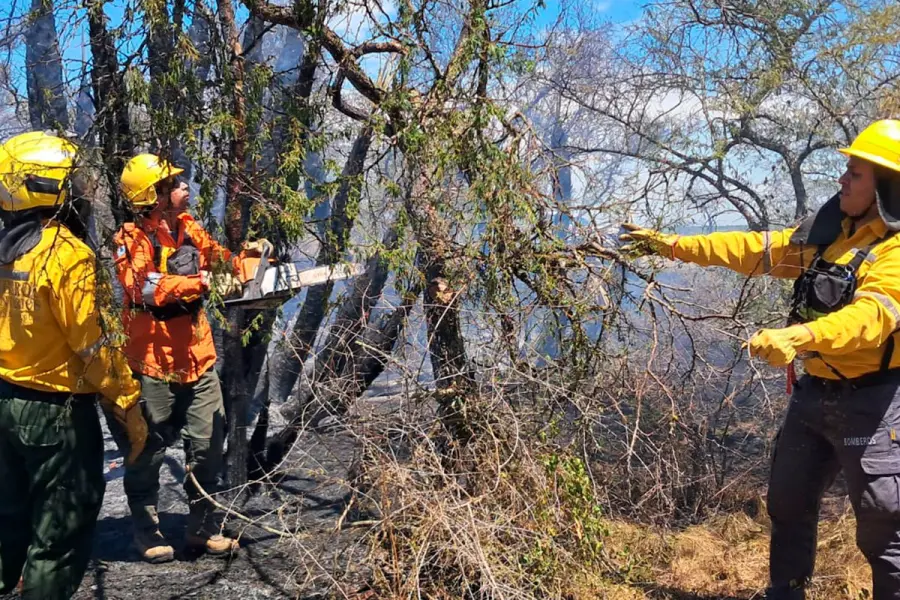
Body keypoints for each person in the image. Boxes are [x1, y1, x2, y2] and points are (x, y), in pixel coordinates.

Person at [611, 119, 900, 599]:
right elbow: (752, 249)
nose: (842, 180)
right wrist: (669, 245)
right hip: (813, 398)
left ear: (887, 187)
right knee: (787, 503)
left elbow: (871, 318)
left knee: (883, 528)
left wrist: (800, 335)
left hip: (872, 405)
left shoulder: (894, 253)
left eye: (855, 174)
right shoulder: (830, 236)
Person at [0, 131, 147, 599]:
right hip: (54, 417)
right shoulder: (68, 255)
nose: (83, 191)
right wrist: (128, 403)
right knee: (58, 536)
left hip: (3, 403)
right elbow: (96, 345)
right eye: (75, 182)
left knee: (8, 522)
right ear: (49, 187)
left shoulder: (4, 248)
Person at [113, 153, 267, 563]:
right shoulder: (131, 240)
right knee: (147, 453)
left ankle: (203, 529)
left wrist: (251, 261)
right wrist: (199, 281)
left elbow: (223, 261)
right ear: (155, 195)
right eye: (175, 184)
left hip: (197, 358)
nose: (185, 189)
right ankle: (146, 533)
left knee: (207, 447)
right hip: (151, 361)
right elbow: (143, 289)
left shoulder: (190, 229)